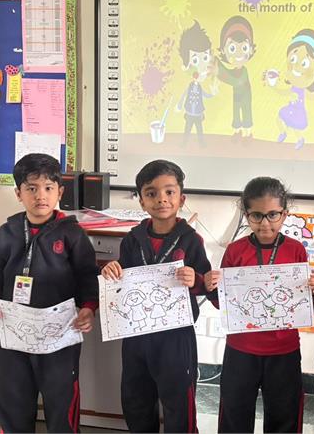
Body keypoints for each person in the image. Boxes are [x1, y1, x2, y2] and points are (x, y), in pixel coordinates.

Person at [0, 154, 98, 433]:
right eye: (31, 188)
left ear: (60, 192)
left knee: (61, 401)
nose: (40, 196)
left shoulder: (72, 235)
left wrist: (88, 307)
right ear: (18, 194)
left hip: (60, 335)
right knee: (13, 400)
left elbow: (87, 276)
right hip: (14, 336)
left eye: (48, 188)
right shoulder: (7, 233)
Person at [204, 177, 314, 433]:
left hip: (283, 350)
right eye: (256, 216)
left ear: (284, 214)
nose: (265, 223)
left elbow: (302, 302)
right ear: (246, 215)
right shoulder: (235, 251)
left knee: (284, 415)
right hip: (241, 349)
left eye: (272, 215)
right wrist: (212, 287)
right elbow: (224, 303)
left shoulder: (296, 250)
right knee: (235, 414)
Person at [100, 159, 210, 433]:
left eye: (169, 192)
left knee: (178, 401)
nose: (161, 199)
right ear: (141, 201)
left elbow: (206, 283)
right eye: (151, 193)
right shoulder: (132, 239)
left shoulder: (191, 240)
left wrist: (194, 280)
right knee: (136, 399)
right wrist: (112, 270)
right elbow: (122, 279)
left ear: (181, 198)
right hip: (136, 334)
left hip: (176, 336)